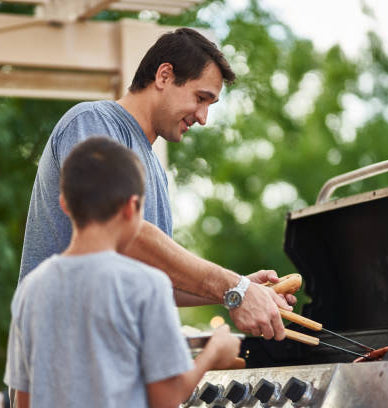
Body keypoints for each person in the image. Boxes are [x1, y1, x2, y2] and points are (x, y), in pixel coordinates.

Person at [19, 27, 295, 340]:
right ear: (164, 76)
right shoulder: (92, 122)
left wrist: (237, 290)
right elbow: (119, 230)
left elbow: (159, 279)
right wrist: (235, 287)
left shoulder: (154, 171)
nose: (203, 117)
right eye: (200, 98)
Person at [4, 137, 241, 408]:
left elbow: (23, 400)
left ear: (65, 204)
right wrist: (214, 353)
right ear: (132, 208)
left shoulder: (32, 288)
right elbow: (165, 399)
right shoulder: (147, 284)